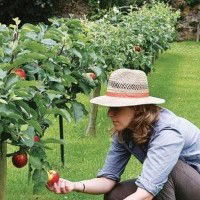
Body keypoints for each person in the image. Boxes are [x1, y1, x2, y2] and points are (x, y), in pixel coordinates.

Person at [47, 69, 200, 200]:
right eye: (109, 107)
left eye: (116, 108)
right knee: (114, 194)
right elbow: (107, 180)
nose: (109, 113)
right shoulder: (125, 133)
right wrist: (74, 185)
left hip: (194, 184)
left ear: (138, 108)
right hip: (173, 184)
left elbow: (146, 193)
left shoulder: (167, 132)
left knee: (165, 169)